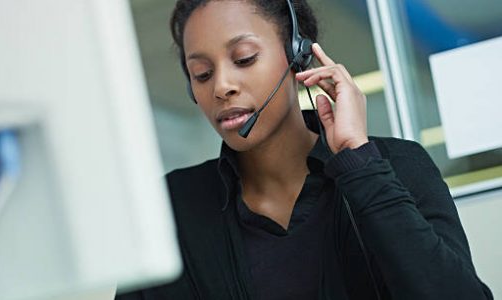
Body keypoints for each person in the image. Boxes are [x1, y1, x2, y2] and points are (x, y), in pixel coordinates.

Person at [117, 0, 493, 299]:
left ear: (297, 55)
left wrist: (357, 161)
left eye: (244, 58)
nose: (222, 86)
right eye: (201, 73)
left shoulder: (398, 165)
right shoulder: (172, 208)